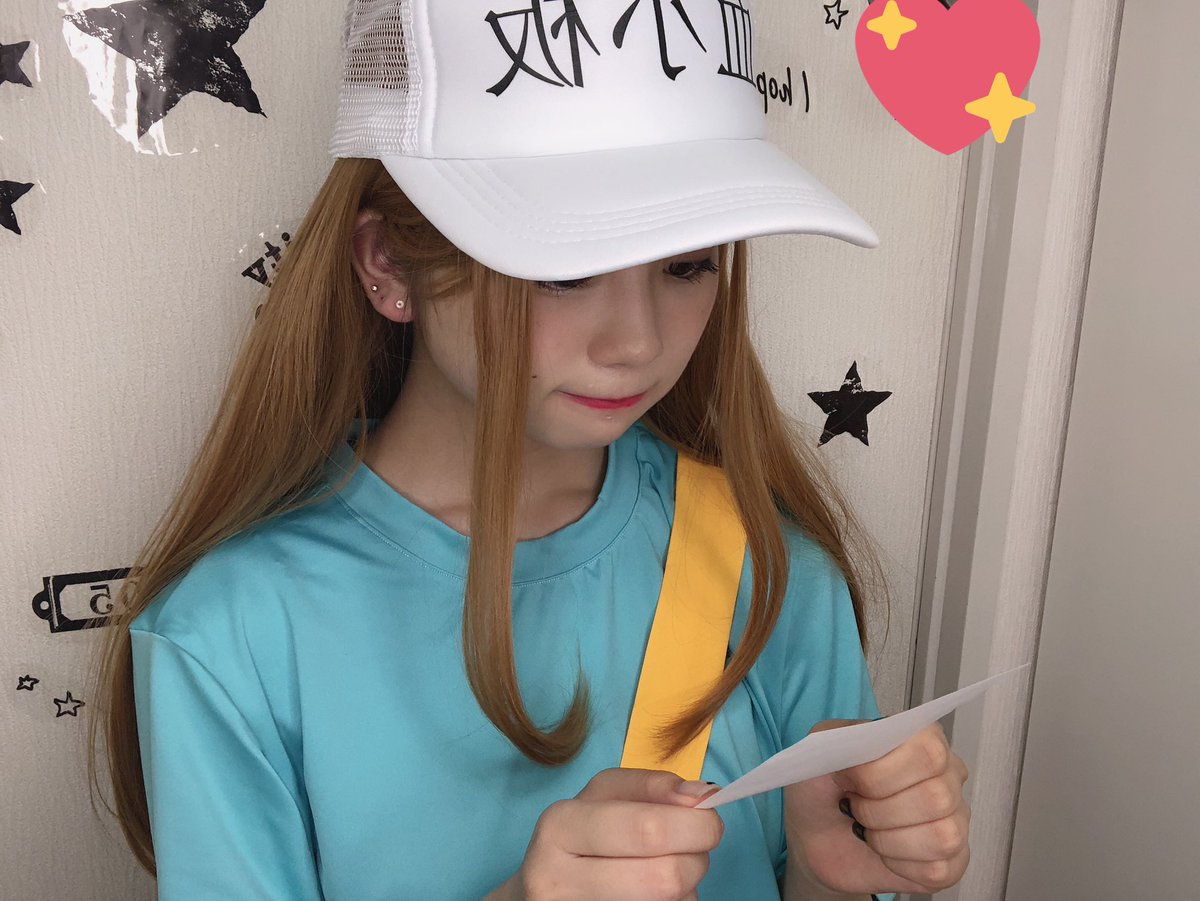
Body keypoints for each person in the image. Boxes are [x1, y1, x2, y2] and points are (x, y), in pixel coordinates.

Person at [86, 1, 971, 898]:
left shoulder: (770, 569)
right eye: (563, 267)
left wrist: (829, 875)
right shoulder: (232, 634)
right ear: (388, 261)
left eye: (688, 263)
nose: (636, 341)